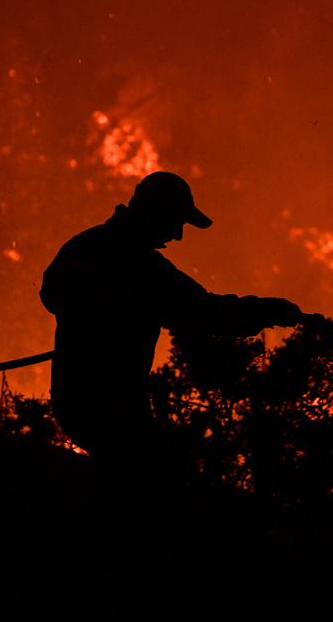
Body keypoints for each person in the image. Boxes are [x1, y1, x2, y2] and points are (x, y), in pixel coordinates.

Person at [40, 171, 306, 477]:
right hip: (111, 402)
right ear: (157, 213)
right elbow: (206, 311)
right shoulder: (141, 268)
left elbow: (52, 294)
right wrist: (268, 311)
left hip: (77, 395)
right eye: (177, 221)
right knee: (150, 489)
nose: (178, 235)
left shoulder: (88, 245)